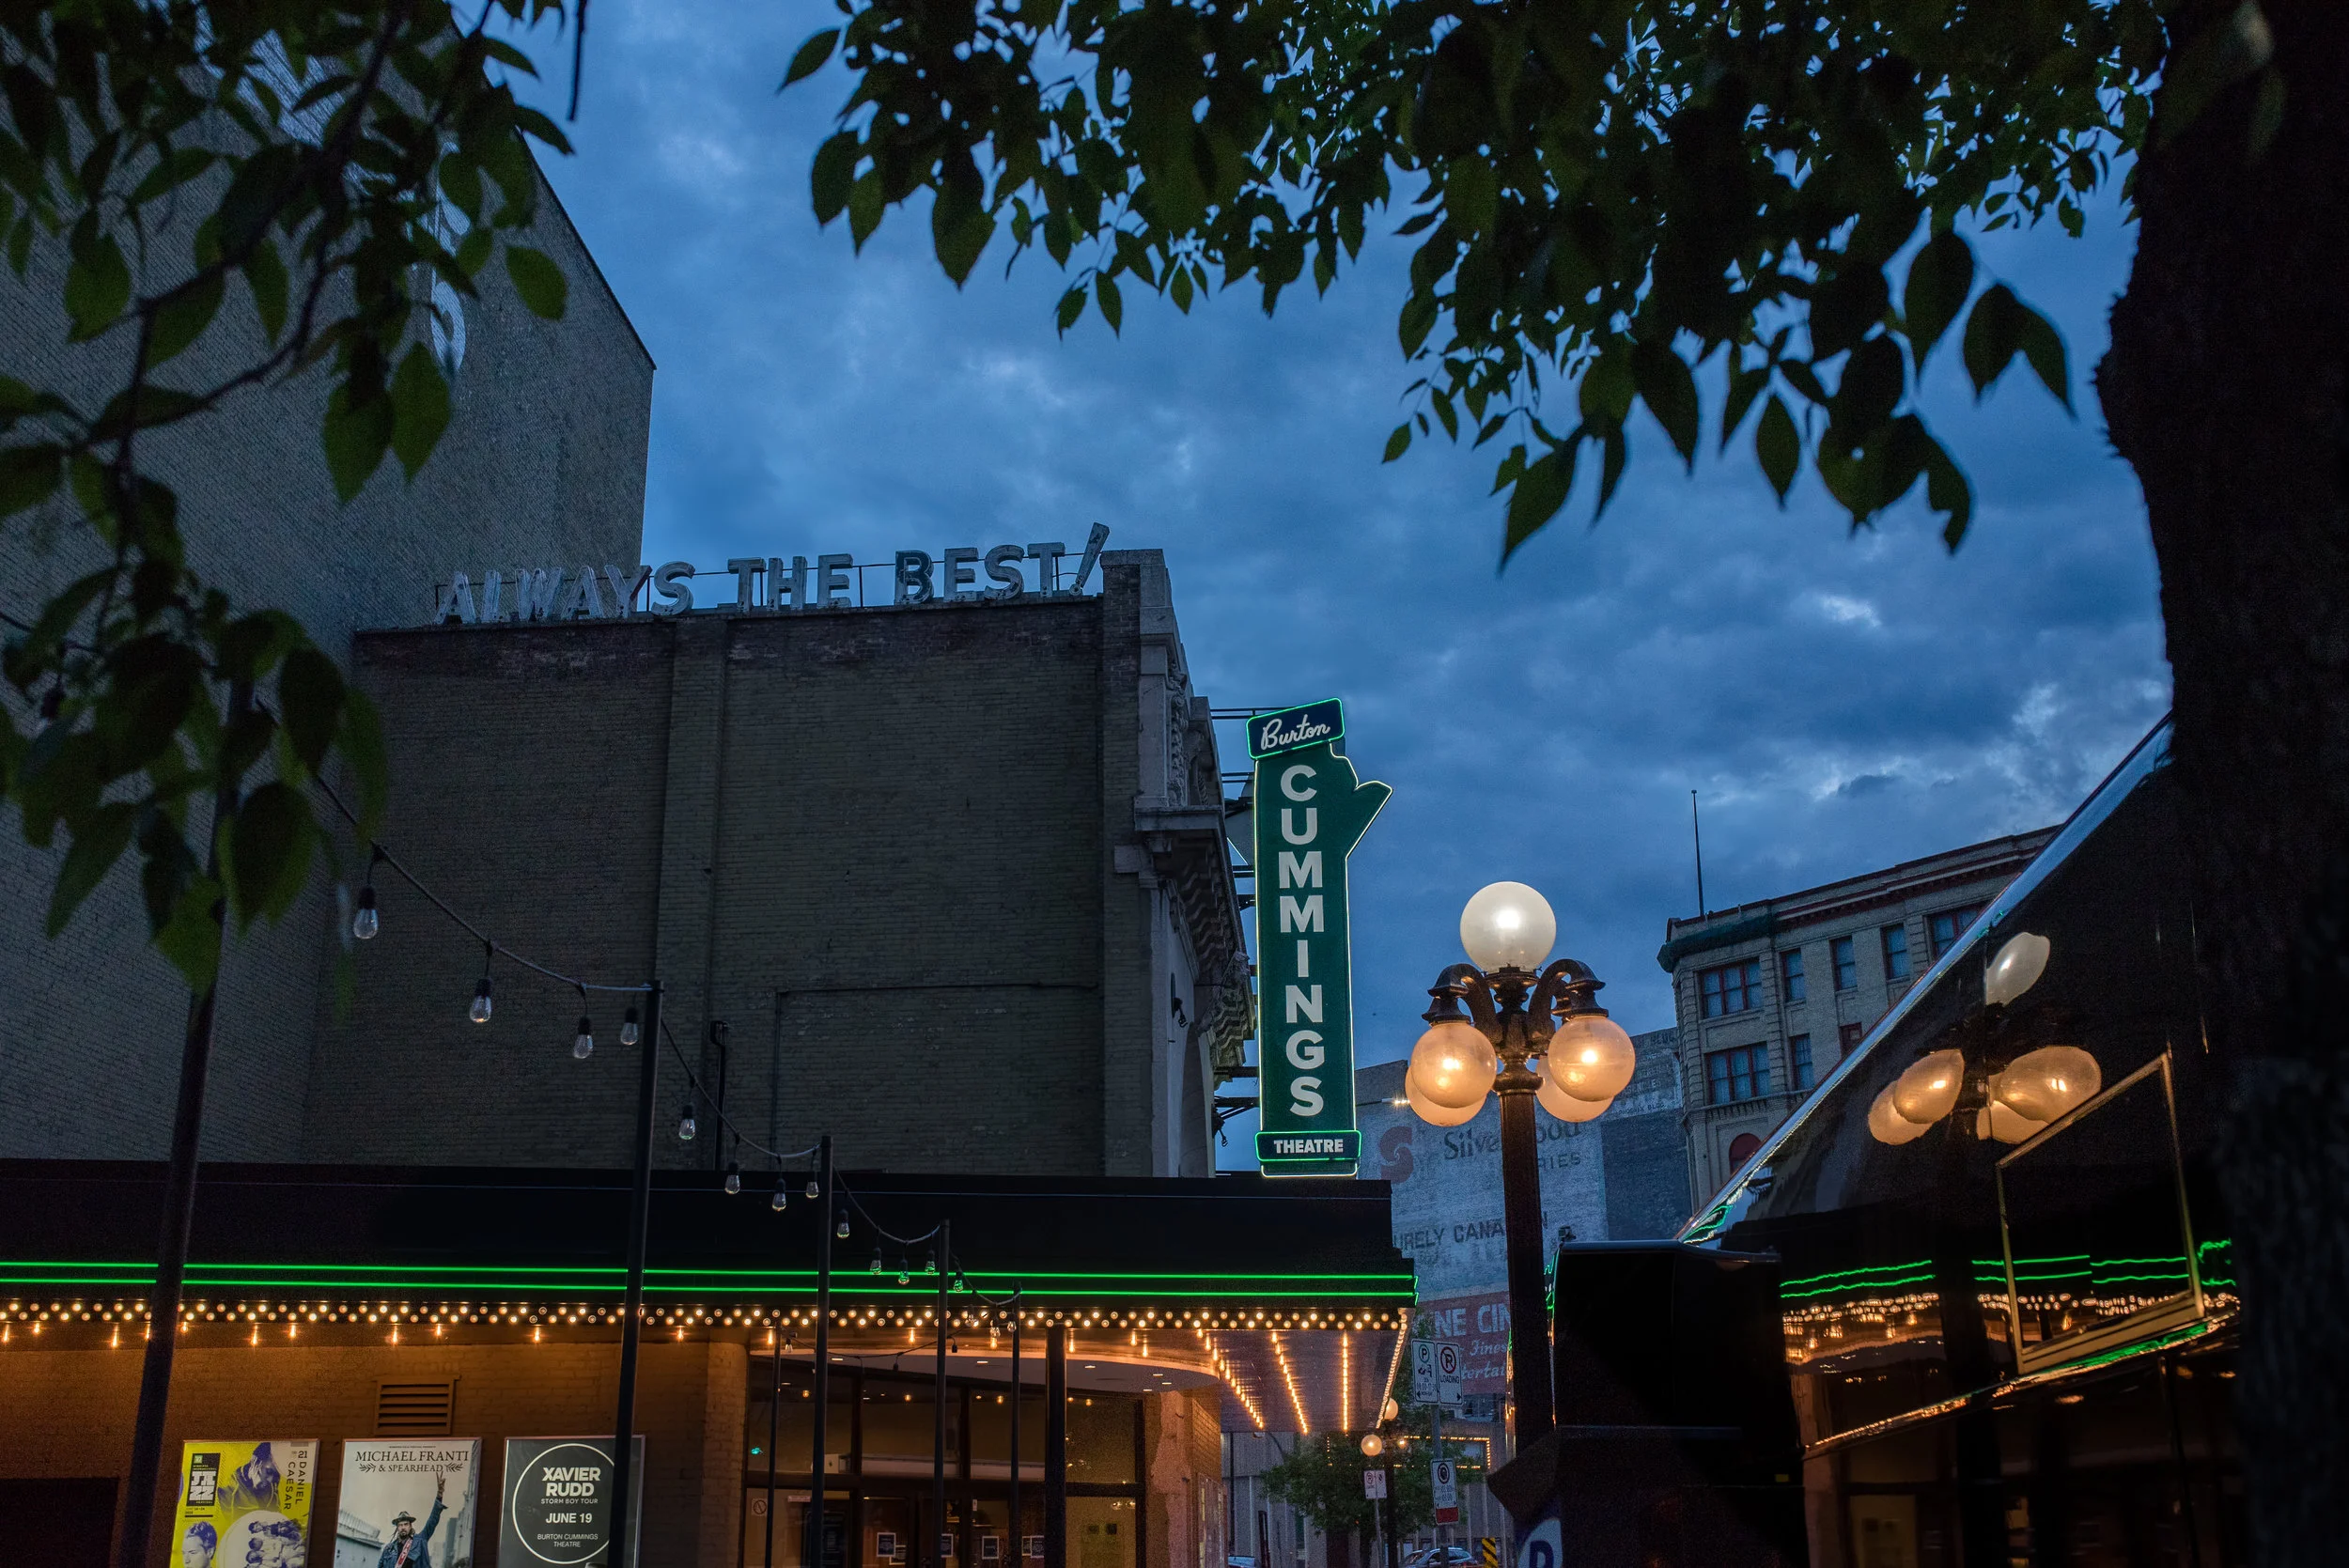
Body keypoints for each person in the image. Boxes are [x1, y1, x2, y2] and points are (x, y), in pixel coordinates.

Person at [378, 1473, 447, 1568]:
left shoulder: (420, 1540)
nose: (403, 1527)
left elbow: (432, 1521)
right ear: (397, 1528)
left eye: (406, 1524)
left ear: (410, 1526)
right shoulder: (388, 1549)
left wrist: (439, 1495)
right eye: (400, 1525)